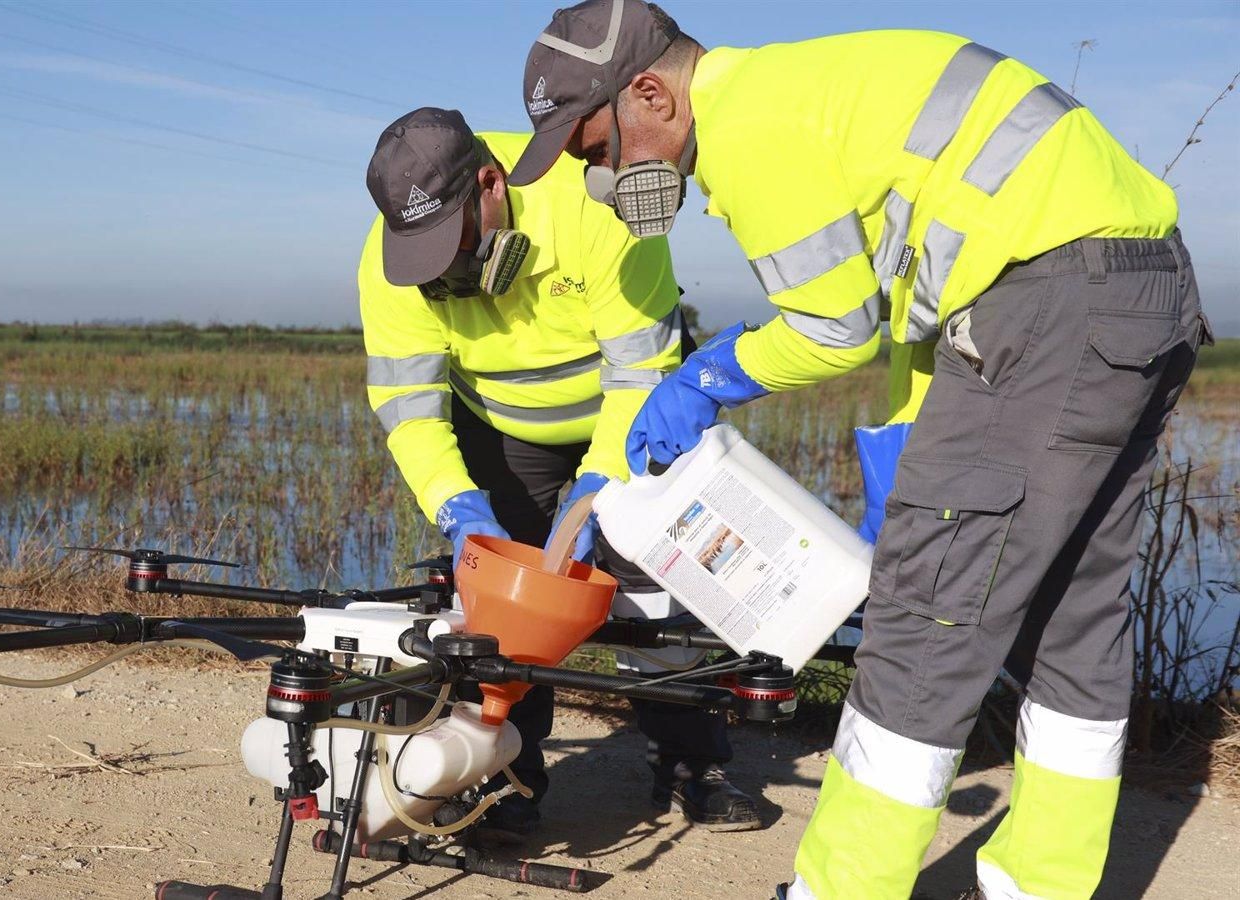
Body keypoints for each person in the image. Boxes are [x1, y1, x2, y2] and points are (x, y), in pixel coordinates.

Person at [508, 1, 1210, 897]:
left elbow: (834, 328)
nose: (603, 178)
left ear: (651, 93)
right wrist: (901, 437)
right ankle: (1041, 881)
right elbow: (930, 278)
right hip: (1138, 295)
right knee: (1072, 617)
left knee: (923, 621)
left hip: (1047, 303)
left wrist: (706, 378)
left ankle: (842, 887)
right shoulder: (806, 86)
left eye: (597, 150)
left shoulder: (748, 125)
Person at [359, 106, 765, 843]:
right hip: (504, 430)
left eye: (456, 251)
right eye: (427, 267)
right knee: (501, 610)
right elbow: (407, 404)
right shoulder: (396, 260)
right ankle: (507, 777)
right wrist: (457, 507)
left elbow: (640, 370)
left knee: (660, 587)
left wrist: (597, 485)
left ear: (490, 184)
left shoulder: (593, 201)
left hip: (632, 415)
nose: (445, 277)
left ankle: (690, 764)